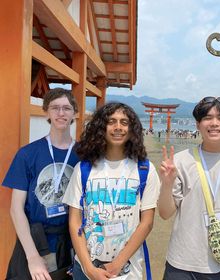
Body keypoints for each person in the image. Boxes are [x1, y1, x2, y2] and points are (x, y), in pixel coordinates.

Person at [158, 96, 220, 279]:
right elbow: (165, 213)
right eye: (207, 118)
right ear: (198, 125)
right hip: (182, 261)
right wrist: (166, 184)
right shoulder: (181, 161)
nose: (214, 123)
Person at [63, 102, 160, 279]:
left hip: (127, 269)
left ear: (132, 129)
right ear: (101, 127)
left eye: (124, 122)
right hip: (86, 267)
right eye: (111, 121)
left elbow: (147, 222)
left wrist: (117, 264)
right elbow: (74, 221)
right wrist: (88, 268)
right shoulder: (84, 169)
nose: (118, 127)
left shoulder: (144, 169)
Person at [2, 88, 79, 279]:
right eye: (55, 108)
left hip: (71, 241)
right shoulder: (27, 154)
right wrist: (32, 256)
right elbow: (16, 208)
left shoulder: (84, 155)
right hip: (36, 240)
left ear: (74, 113)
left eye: (66, 108)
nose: (61, 113)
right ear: (46, 112)